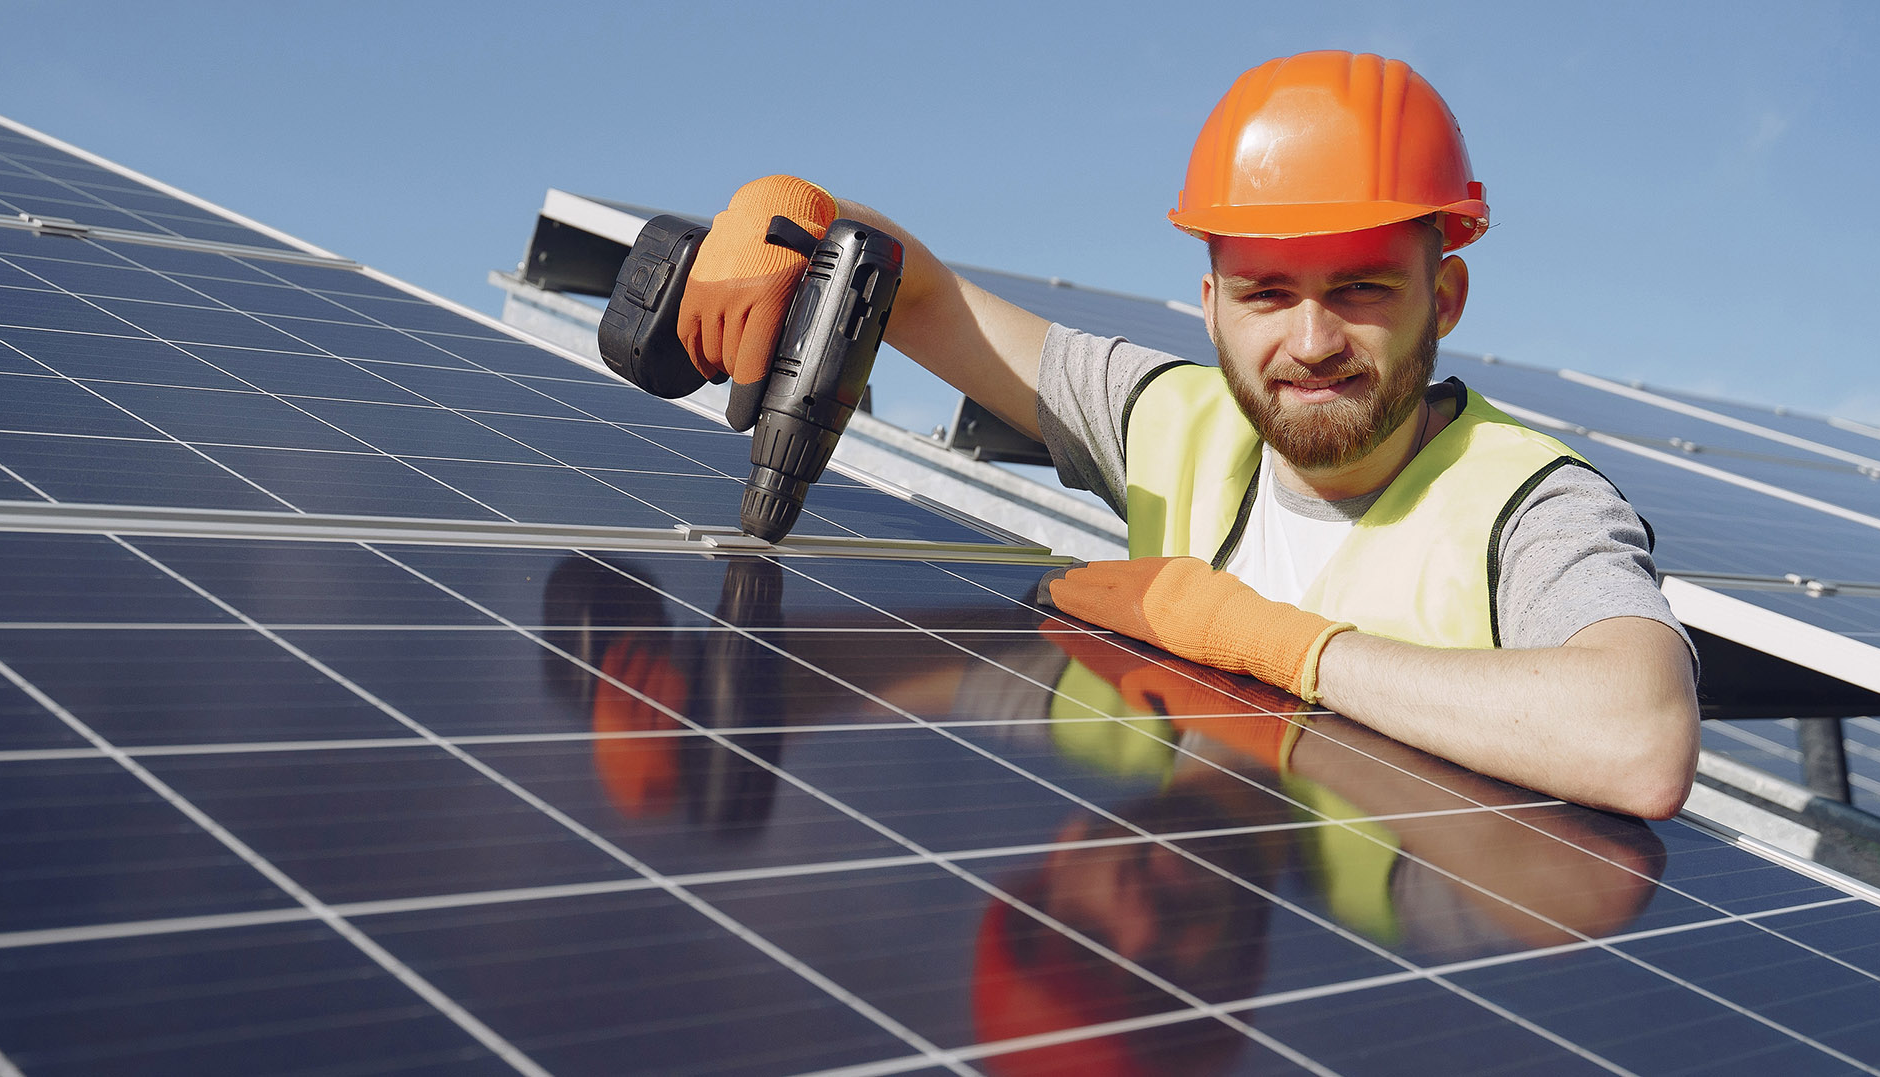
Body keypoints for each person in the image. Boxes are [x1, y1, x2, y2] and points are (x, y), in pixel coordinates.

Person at [676, 49, 1701, 819]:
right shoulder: (1164, 416)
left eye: (1360, 288)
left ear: (1447, 293)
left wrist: (1273, 644)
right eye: (1265, 293)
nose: (1309, 341)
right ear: (1209, 305)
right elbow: (922, 297)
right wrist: (791, 208)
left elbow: (1637, 736)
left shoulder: (1527, 501)